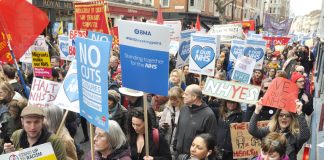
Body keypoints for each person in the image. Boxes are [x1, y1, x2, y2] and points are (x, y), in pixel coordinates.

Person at [174, 84, 217, 156]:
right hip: (178, 155)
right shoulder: (184, 109)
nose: (183, 96)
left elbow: (210, 141)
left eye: (186, 94)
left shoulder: (209, 115)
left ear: (194, 97)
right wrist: (175, 147)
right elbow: (178, 129)